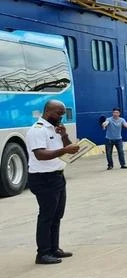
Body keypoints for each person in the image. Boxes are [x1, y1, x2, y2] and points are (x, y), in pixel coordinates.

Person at [26, 100, 80, 264]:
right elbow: (40, 155)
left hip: (57, 176)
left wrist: (64, 136)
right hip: (43, 178)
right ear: (48, 112)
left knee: (57, 215)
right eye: (59, 113)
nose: (61, 117)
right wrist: (64, 150)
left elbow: (69, 150)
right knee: (46, 216)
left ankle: (53, 249)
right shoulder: (37, 131)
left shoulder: (55, 129)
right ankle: (42, 253)